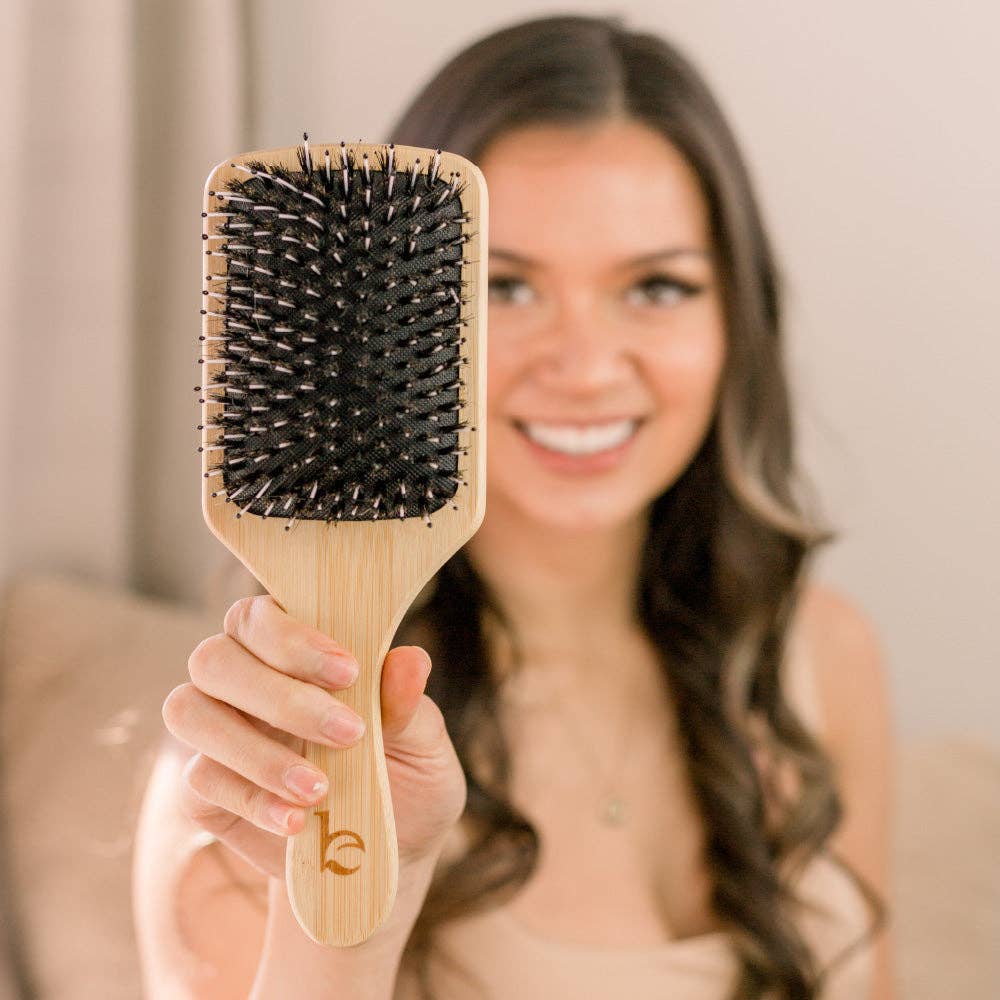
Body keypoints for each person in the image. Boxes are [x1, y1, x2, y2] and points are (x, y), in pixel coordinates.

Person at [132, 14, 896, 1000]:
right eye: (506, 286)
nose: (583, 367)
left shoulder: (816, 659)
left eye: (657, 286)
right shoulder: (259, 759)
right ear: (382, 317)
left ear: (735, 321)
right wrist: (352, 931)